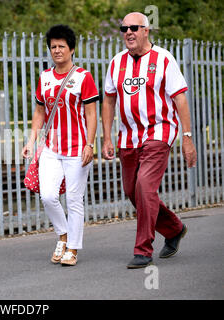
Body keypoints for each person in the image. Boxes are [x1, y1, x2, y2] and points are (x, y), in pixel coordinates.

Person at [101, 12, 197, 269]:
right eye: (124, 28)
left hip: (159, 133)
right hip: (128, 137)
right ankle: (175, 228)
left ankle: (143, 249)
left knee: (145, 186)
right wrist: (107, 137)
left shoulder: (163, 58)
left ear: (146, 30)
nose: (128, 32)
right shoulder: (116, 62)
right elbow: (109, 100)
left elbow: (180, 99)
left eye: (134, 27)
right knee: (133, 192)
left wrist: (187, 138)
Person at [22, 24, 99, 266]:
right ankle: (63, 235)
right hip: (51, 149)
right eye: (53, 46)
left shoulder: (83, 77)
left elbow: (91, 114)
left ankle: (73, 248)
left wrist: (90, 144)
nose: (57, 50)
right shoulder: (44, 77)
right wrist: (31, 140)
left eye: (61, 46)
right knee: (47, 196)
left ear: (72, 49)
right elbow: (39, 111)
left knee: (75, 199)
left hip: (77, 150)